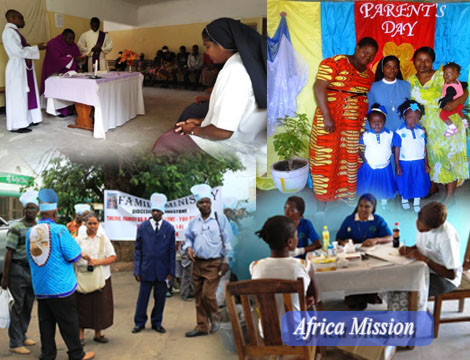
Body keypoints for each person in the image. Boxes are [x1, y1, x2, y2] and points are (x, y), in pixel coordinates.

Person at [152, 17, 267, 177]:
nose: (206, 52)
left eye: (208, 46)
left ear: (223, 44)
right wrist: (200, 121)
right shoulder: (249, 63)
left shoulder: (234, 71)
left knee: (166, 142)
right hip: (251, 137)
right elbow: (240, 112)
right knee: (187, 119)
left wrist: (193, 130)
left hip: (237, 145)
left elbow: (223, 132)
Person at [309, 37, 378, 211]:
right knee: (325, 160)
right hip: (330, 120)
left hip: (354, 126)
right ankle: (321, 203)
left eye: (371, 56)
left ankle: (347, 199)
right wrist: (326, 116)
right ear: (357, 47)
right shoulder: (336, 62)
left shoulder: (369, 75)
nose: (367, 57)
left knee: (349, 161)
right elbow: (319, 87)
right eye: (365, 52)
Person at [26, 189, 94, 360]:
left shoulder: (31, 232)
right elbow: (73, 255)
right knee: (69, 322)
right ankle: (76, 354)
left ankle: (48, 354)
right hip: (61, 287)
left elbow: (30, 257)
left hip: (41, 287)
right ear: (55, 213)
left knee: (46, 323)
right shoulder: (60, 230)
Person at [408, 46, 469, 204]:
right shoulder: (411, 80)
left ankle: (450, 196)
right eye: (419, 60)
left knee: (448, 158)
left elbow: (465, 90)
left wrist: (456, 102)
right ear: (413, 61)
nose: (423, 63)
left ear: (432, 62)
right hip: (425, 126)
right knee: (429, 157)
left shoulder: (443, 76)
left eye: (427, 60)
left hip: (447, 124)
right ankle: (432, 186)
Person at [184, 184, 232, 338]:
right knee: (198, 297)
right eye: (201, 203)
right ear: (197, 205)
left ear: (210, 203)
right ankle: (202, 326)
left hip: (214, 263)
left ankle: (216, 317)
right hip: (197, 263)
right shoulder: (194, 222)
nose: (204, 205)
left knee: (208, 295)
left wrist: (226, 260)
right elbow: (188, 238)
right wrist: (189, 247)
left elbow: (228, 240)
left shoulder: (220, 219)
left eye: (207, 202)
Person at [250, 215, 319, 320]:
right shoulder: (304, 266)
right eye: (296, 236)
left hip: (267, 332)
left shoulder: (254, 266)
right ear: (290, 242)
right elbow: (313, 297)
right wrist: (305, 300)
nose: (297, 239)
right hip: (297, 333)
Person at [132, 193, 175, 334]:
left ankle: (157, 322)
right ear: (151, 211)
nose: (156, 213)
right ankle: (139, 322)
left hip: (162, 271)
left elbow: (171, 252)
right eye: (154, 211)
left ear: (163, 212)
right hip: (146, 269)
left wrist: (171, 272)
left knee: (160, 298)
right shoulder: (143, 227)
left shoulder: (169, 228)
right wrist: (137, 270)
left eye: (158, 211)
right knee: (142, 298)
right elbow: (138, 250)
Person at [1, 191, 38, 355]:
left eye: (33, 208)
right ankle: (14, 342)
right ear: (24, 210)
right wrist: (5, 277)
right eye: (27, 209)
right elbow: (9, 253)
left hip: (32, 270)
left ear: (37, 210)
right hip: (17, 269)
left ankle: (22, 335)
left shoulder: (38, 228)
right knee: (17, 306)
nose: (30, 211)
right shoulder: (16, 228)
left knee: (28, 305)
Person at [399, 202, 461, 297]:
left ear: (435, 227)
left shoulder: (447, 238)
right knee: (396, 278)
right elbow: (429, 245)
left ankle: (412, 311)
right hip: (426, 268)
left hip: (444, 279)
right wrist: (412, 248)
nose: (419, 228)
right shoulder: (423, 221)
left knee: (407, 290)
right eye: (418, 222)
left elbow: (451, 275)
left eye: (426, 230)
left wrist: (425, 259)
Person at [2, 9, 46, 133]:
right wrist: (37, 47)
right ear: (13, 18)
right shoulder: (9, 32)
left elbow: (21, 48)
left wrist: (30, 47)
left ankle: (28, 119)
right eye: (21, 18)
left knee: (26, 93)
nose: (24, 22)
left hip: (22, 66)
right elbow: (17, 51)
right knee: (18, 95)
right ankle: (18, 124)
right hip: (16, 67)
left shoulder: (14, 32)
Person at [75, 213, 116, 345]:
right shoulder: (79, 240)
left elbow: (112, 256)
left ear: (99, 225)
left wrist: (98, 262)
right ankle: (80, 336)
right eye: (90, 223)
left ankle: (98, 334)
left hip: (101, 278)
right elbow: (71, 256)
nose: (92, 226)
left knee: (100, 307)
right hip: (83, 277)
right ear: (85, 224)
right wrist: (83, 258)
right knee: (82, 306)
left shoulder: (103, 239)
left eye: (95, 224)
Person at [357, 104, 399, 208]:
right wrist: (363, 158)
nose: (377, 125)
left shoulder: (390, 134)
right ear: (369, 123)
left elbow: (397, 145)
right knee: (370, 186)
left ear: (384, 122)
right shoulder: (366, 136)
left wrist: (392, 151)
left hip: (384, 166)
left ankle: (384, 203)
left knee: (384, 186)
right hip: (370, 166)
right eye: (373, 122)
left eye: (380, 122)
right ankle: (370, 203)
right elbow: (355, 144)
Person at [395, 99, 431, 212]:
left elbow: (424, 148)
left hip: (419, 162)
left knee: (419, 182)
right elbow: (397, 149)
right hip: (405, 163)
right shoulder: (399, 132)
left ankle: (417, 201)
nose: (413, 120)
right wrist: (397, 165)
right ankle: (405, 199)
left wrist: (426, 163)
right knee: (406, 181)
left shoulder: (421, 131)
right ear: (404, 116)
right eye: (410, 117)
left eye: (416, 117)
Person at [367, 55, 411, 131]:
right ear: (382, 69)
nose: (392, 70)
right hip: (382, 130)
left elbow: (411, 110)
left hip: (403, 129)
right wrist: (367, 129)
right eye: (388, 67)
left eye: (395, 67)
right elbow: (370, 110)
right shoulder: (373, 87)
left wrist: (417, 126)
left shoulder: (406, 85)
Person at [438, 62, 469, 137]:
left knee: (442, 115)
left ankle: (452, 128)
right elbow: (464, 84)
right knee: (459, 112)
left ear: (457, 75)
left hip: (454, 105)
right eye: (445, 73)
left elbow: (448, 97)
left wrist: (441, 102)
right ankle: (465, 121)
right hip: (460, 105)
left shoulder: (450, 87)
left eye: (450, 74)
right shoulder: (457, 82)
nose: (446, 76)